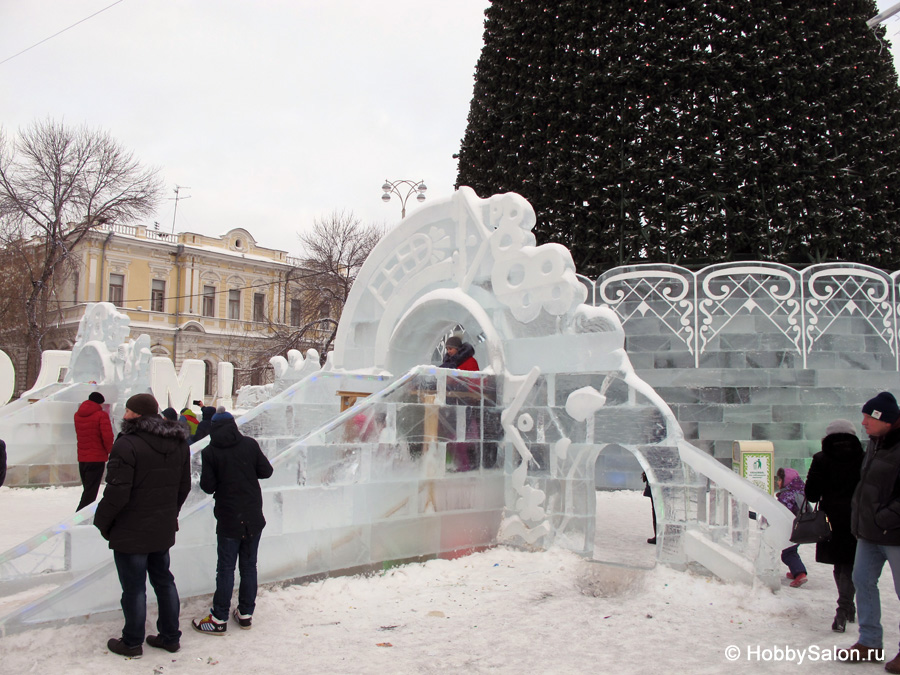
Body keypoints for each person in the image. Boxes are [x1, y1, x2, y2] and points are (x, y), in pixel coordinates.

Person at [94, 393, 191, 658]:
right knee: (164, 581)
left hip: (131, 530)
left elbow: (116, 492)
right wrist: (169, 513)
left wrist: (102, 522)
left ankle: (132, 642)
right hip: (161, 526)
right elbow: (184, 486)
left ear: (135, 414)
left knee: (134, 587)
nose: (124, 415)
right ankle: (171, 637)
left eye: (127, 410)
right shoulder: (179, 441)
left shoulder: (127, 444)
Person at [192, 407, 273, 635]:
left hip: (229, 517)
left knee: (226, 568)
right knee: (249, 566)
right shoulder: (249, 444)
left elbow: (207, 487)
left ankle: (219, 617)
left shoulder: (210, 452)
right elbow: (266, 471)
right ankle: (246, 613)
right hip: (252, 516)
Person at [847, 391, 900, 669]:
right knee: (862, 581)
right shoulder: (875, 444)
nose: (864, 422)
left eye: (869, 417)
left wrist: (884, 517)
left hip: (894, 533)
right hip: (869, 532)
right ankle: (869, 643)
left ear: (886, 420)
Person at [805, 419, 864, 633]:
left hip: (830, 519)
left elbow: (811, 493)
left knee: (840, 563)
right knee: (849, 563)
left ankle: (844, 608)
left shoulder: (821, 459)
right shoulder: (864, 457)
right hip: (858, 516)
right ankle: (846, 607)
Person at [73, 391, 114, 512]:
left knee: (87, 490)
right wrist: (110, 451)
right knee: (90, 493)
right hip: (96, 458)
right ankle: (79, 517)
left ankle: (83, 515)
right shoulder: (101, 415)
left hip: (82, 458)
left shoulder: (78, 415)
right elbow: (107, 436)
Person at [776, 466, 808, 588]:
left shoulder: (787, 496)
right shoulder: (800, 492)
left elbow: (782, 513)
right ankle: (795, 571)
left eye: (779, 480)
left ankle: (800, 573)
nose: (778, 482)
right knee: (791, 550)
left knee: (787, 553)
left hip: (791, 528)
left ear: (787, 481)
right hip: (801, 527)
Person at [642, 471, 657, 545]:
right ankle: (660, 534)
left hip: (657, 483)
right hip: (662, 483)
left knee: (657, 511)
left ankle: (659, 535)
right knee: (658, 510)